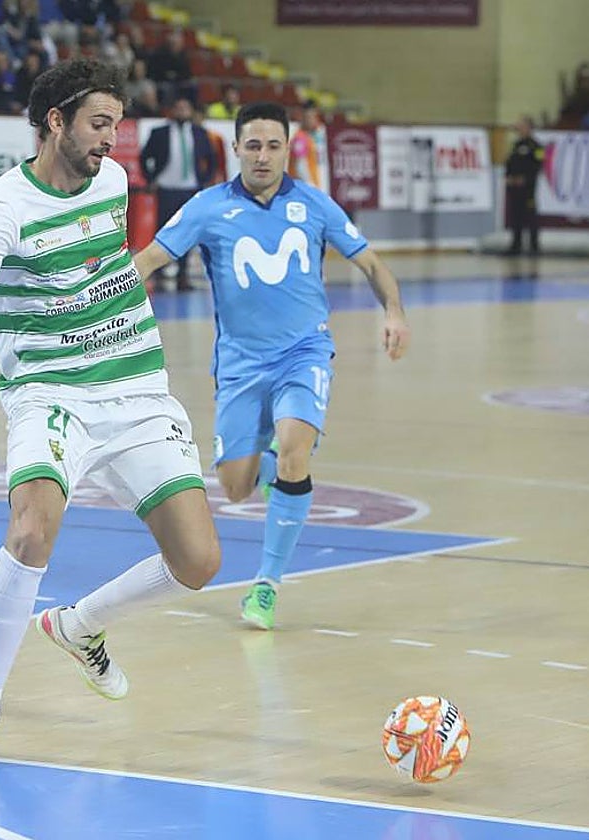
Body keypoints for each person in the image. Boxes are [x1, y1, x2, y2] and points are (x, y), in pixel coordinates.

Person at [0, 58, 221, 770]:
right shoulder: (1, 210)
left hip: (136, 388)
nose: (112, 139)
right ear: (56, 122)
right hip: (49, 392)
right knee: (29, 531)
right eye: (99, 124)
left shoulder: (111, 182)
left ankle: (81, 627)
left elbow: (106, 268)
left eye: (116, 124)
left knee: (199, 561)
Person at [133, 102, 410, 630]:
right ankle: (274, 477)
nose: (263, 156)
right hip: (239, 365)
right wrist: (98, 299)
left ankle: (267, 584)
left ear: (288, 150)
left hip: (305, 352)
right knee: (235, 486)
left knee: (293, 449)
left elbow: (371, 264)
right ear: (236, 148)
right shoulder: (208, 207)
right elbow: (148, 260)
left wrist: (394, 312)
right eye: (254, 146)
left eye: (273, 146)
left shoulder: (315, 204)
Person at [139, 97, 214, 290]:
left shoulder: (199, 133)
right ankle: (159, 274)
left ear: (191, 111)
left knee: (187, 232)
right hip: (166, 188)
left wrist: (204, 180)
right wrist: (150, 179)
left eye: (185, 108)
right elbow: (144, 156)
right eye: (178, 108)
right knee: (163, 231)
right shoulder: (160, 132)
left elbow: (211, 159)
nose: (182, 112)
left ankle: (182, 275)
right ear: (172, 110)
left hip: (189, 189)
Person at [505, 116, 543, 256]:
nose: (519, 129)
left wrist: (526, 179)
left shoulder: (536, 146)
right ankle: (515, 245)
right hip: (514, 187)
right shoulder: (515, 145)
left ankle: (534, 246)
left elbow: (538, 165)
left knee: (530, 216)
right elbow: (510, 162)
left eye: (522, 126)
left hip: (528, 188)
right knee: (515, 216)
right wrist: (508, 176)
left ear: (529, 128)